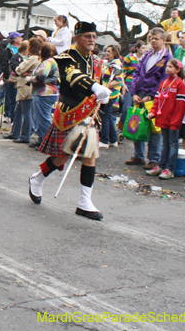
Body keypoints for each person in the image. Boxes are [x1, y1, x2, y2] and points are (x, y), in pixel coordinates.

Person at [27, 21, 111, 221]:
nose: (91, 40)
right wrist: (94, 88)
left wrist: (105, 93)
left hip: (90, 114)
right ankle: (37, 178)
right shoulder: (64, 57)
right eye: (87, 36)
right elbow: (73, 76)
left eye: (93, 36)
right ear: (77, 38)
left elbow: (102, 82)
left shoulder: (97, 61)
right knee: (63, 157)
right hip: (70, 113)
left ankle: (84, 202)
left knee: (90, 156)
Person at [124, 27, 172, 169]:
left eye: (156, 38)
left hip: (154, 97)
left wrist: (151, 96)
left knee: (153, 128)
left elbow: (163, 81)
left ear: (164, 40)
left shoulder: (167, 58)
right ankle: (138, 156)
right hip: (139, 94)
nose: (153, 41)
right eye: (151, 38)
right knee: (137, 123)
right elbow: (136, 73)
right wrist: (134, 93)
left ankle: (154, 158)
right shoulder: (147, 55)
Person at [147, 59, 185, 180]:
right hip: (163, 118)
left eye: (170, 67)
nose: (167, 68)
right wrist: (153, 112)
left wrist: (176, 121)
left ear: (178, 69)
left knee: (173, 143)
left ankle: (170, 168)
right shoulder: (164, 83)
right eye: (167, 66)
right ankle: (161, 165)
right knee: (165, 143)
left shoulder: (180, 84)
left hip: (173, 120)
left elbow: (181, 105)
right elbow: (157, 100)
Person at [27, 42, 59, 149]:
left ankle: (47, 143)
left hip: (43, 93)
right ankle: (42, 139)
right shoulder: (56, 61)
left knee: (43, 118)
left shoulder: (47, 62)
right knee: (43, 117)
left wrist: (30, 79)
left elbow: (41, 76)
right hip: (51, 92)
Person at [9, 38, 40, 143]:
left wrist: (24, 72)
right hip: (29, 84)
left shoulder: (32, 58)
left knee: (26, 112)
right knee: (19, 111)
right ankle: (15, 133)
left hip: (26, 85)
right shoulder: (40, 58)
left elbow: (19, 69)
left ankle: (25, 136)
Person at [98, 44, 123, 149]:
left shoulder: (116, 64)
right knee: (108, 116)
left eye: (109, 51)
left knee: (105, 117)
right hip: (108, 93)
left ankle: (105, 140)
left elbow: (118, 81)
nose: (107, 53)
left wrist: (104, 87)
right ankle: (113, 140)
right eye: (106, 51)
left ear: (114, 53)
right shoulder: (110, 63)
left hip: (111, 94)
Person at [120, 40, 146, 128]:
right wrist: (123, 84)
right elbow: (122, 71)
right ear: (137, 48)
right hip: (129, 84)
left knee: (138, 108)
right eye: (143, 48)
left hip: (140, 85)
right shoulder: (129, 57)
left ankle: (133, 127)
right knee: (127, 107)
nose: (145, 50)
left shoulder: (145, 58)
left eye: (146, 48)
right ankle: (121, 127)